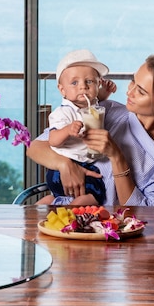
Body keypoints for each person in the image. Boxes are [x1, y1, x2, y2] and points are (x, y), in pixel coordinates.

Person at [27, 48, 154, 206]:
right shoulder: (106, 111)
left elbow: (146, 213)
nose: (129, 91)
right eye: (133, 81)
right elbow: (35, 147)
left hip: (118, 234)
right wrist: (65, 165)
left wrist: (117, 157)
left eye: (140, 91)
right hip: (71, 216)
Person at [39, 49, 117, 205]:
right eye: (75, 83)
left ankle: (51, 203)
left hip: (78, 166)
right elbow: (53, 140)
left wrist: (104, 94)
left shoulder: (93, 105)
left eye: (90, 81)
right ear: (62, 90)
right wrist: (67, 130)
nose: (83, 87)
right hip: (62, 171)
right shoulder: (62, 113)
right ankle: (72, 218)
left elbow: (93, 101)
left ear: (98, 83)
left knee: (56, 198)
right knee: (96, 194)